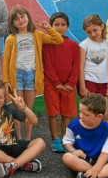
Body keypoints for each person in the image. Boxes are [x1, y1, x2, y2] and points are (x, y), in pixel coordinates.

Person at [2, 5, 63, 141]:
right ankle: (18, 138)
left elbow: (58, 40)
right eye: (16, 19)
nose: (20, 20)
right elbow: (6, 61)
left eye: (22, 16)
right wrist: (6, 81)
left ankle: (28, 138)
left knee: (28, 109)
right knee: (17, 109)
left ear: (28, 18)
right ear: (12, 23)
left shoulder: (37, 35)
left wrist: (48, 28)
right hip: (16, 76)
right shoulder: (11, 39)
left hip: (32, 76)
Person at [0, 81, 45, 178]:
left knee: (40, 142)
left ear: (4, 98)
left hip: (14, 146)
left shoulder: (9, 109)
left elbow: (34, 121)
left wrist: (23, 107)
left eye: (1, 97)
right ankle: (22, 164)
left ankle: (12, 165)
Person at [62, 94, 108, 178]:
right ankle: (106, 173)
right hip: (82, 160)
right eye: (80, 112)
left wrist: (96, 168)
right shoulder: (73, 126)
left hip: (102, 159)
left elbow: (105, 152)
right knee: (67, 157)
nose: (81, 116)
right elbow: (67, 141)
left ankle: (89, 175)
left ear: (99, 116)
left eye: (86, 114)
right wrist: (73, 150)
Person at [78, 14, 108, 154]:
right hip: (89, 83)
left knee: (105, 115)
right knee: (87, 116)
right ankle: (86, 142)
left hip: (103, 83)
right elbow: (80, 67)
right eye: (89, 32)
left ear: (102, 26)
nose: (93, 34)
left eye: (95, 30)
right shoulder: (84, 44)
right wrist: (82, 86)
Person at [42, 12, 79, 153]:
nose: (60, 27)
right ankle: (55, 139)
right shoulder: (47, 44)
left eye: (63, 25)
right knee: (52, 112)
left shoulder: (73, 45)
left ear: (68, 26)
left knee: (66, 113)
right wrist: (56, 82)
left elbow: (76, 66)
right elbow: (48, 65)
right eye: (56, 25)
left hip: (69, 86)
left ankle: (65, 139)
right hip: (52, 84)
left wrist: (70, 83)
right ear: (51, 26)